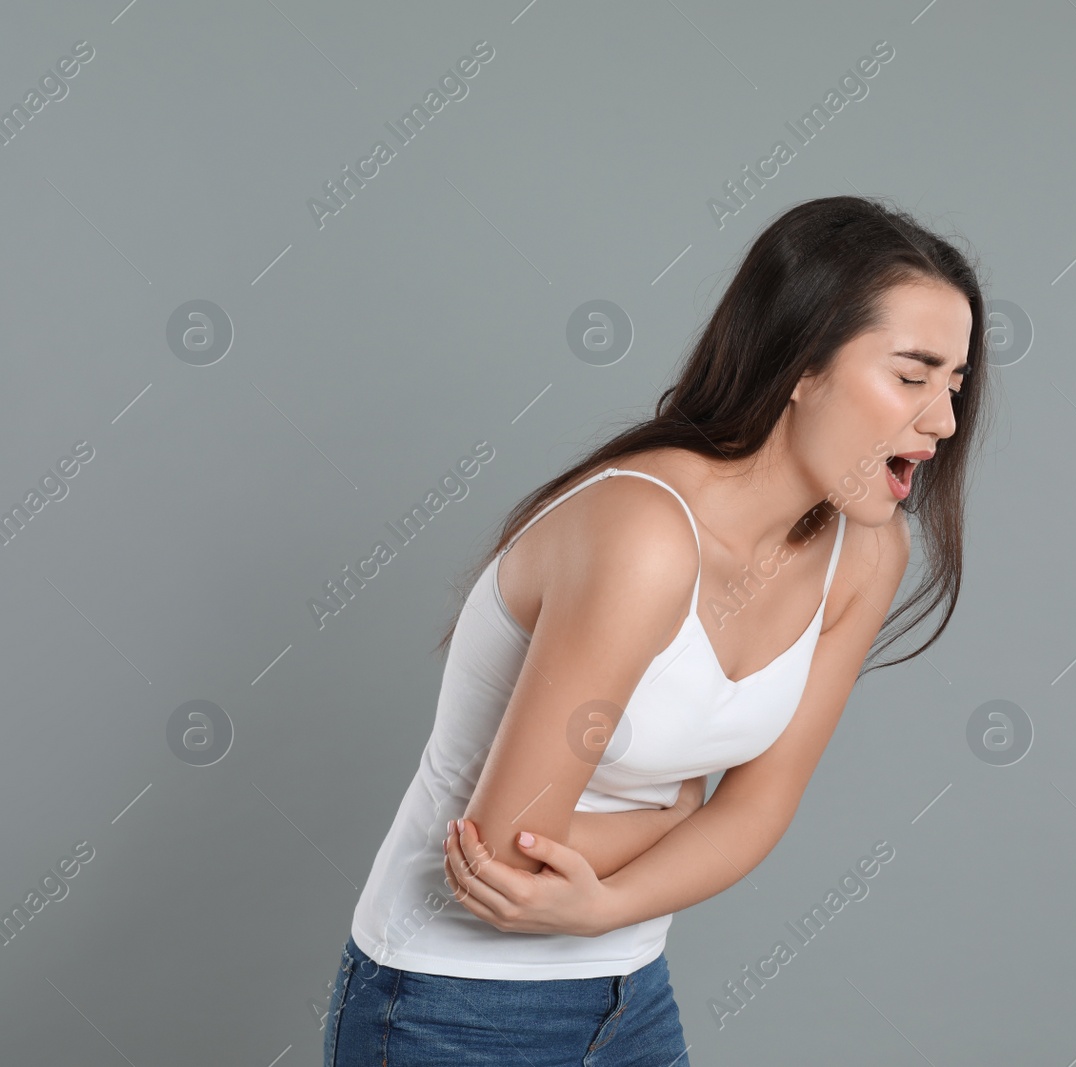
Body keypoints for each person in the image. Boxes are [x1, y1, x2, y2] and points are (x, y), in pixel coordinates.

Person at [323, 195, 990, 1065]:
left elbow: (758, 810)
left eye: (955, 383)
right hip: (450, 1006)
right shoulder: (643, 533)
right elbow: (496, 858)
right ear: (801, 364)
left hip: (630, 995)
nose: (941, 420)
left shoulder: (865, 553)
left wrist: (605, 905)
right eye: (912, 375)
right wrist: (679, 812)